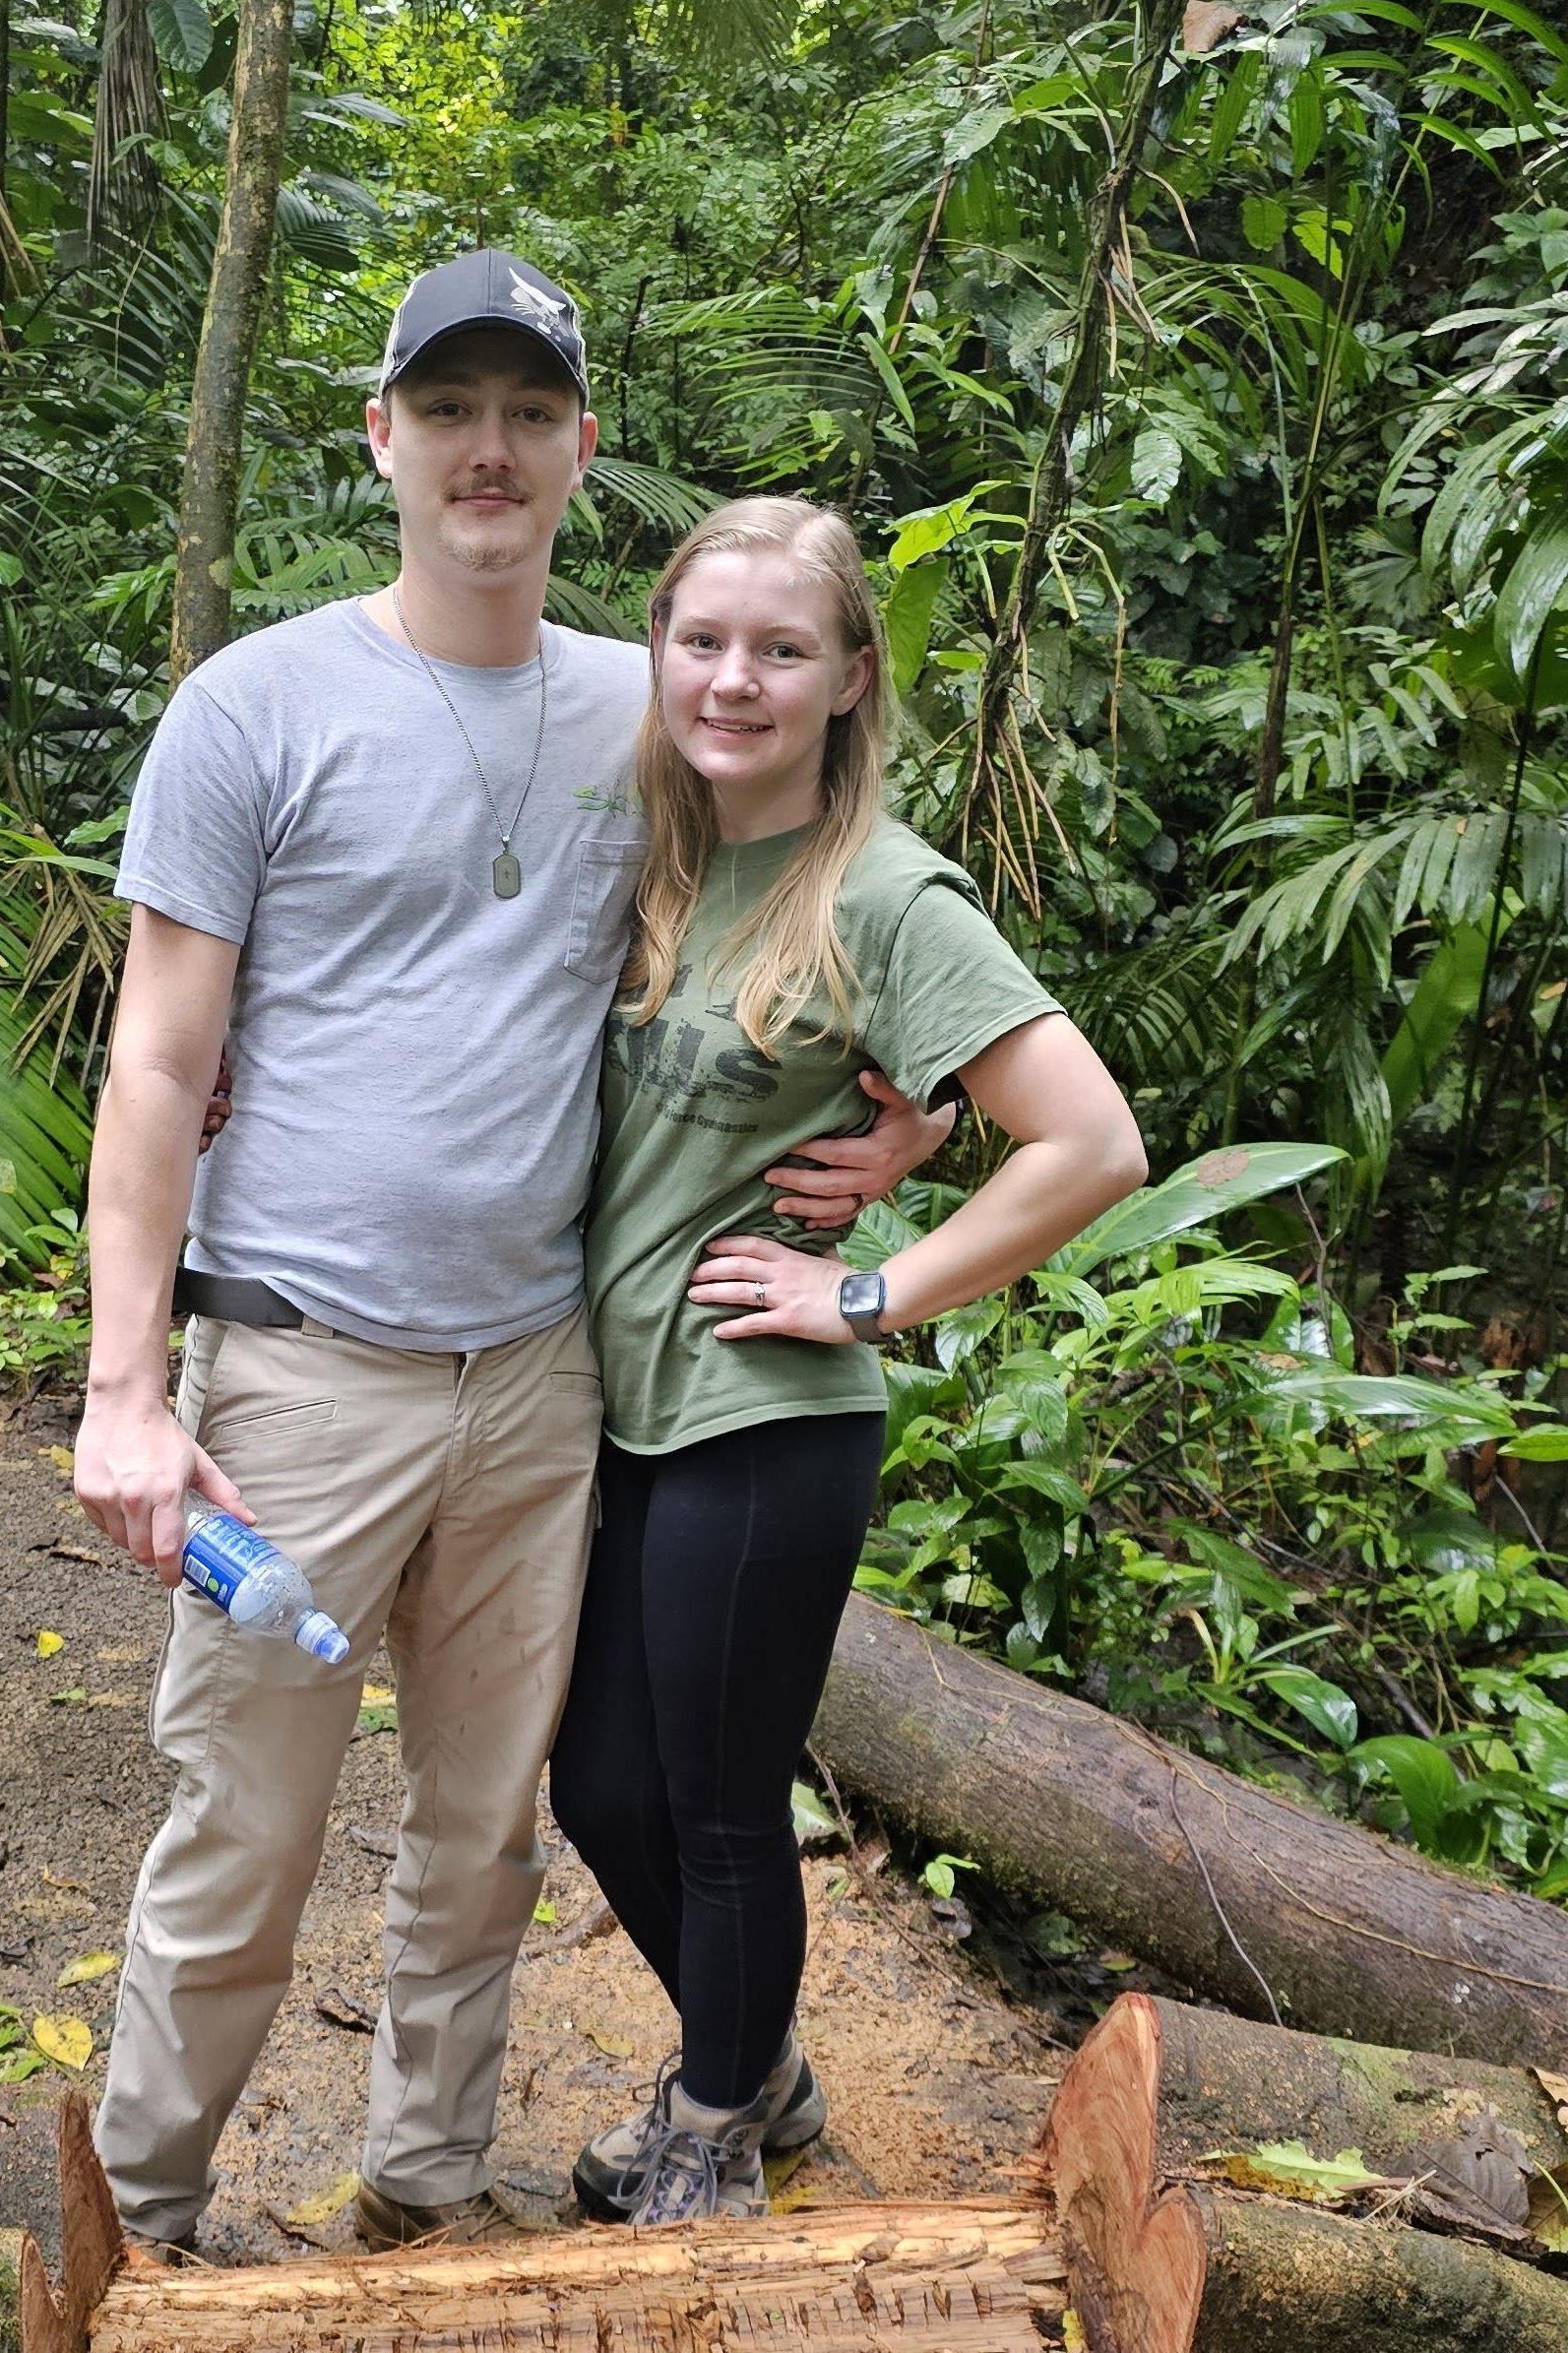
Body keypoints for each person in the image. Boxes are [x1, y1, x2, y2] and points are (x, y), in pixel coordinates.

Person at [71, 253, 953, 2254]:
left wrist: (919, 1108)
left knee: (483, 1835)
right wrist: (126, 1391)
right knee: (247, 1833)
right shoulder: (255, 705)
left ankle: (427, 2192)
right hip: (298, 1364)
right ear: (382, 437)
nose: (491, 449)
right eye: (449, 410)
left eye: (530, 415)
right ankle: (137, 2215)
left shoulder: (650, 706)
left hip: (547, 1371)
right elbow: (155, 1056)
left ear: (578, 454)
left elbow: (826, 891)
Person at [547, 496, 1148, 2227]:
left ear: (849, 676)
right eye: (703, 641)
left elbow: (1090, 1140)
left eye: (780, 649)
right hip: (630, 1403)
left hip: (766, 1408)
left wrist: (873, 1291)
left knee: (719, 1805)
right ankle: (759, 2064)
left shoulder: (881, 887)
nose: (733, 679)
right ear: (657, 651)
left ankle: (720, 2123)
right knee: (598, 1786)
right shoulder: (663, 845)